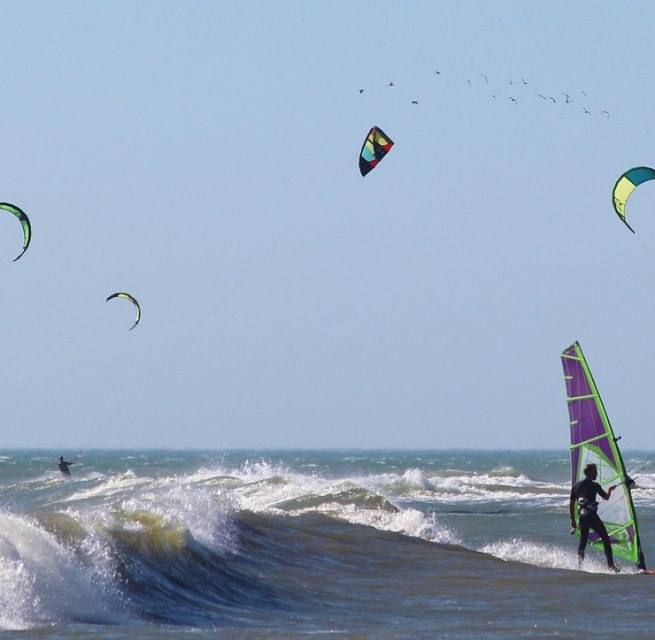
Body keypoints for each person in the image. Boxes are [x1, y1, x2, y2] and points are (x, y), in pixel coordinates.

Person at [569, 462, 619, 572]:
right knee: (605, 538)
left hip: (582, 518)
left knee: (583, 541)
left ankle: (580, 566)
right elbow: (606, 497)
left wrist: (572, 519)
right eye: (595, 472)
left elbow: (571, 503)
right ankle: (611, 566)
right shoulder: (594, 485)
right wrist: (610, 490)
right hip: (592, 517)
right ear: (590, 473)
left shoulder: (576, 486)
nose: (597, 474)